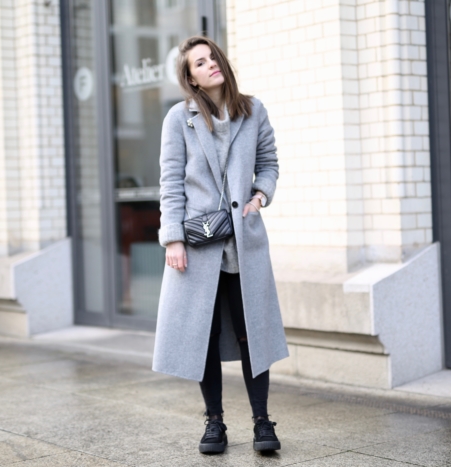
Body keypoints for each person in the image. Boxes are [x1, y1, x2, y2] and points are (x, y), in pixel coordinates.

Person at [153, 35, 289, 454]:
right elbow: (171, 183)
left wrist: (259, 196)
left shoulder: (253, 110)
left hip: (243, 245)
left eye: (213, 57)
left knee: (254, 335)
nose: (209, 64)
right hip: (198, 245)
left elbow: (269, 163)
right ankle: (214, 423)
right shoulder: (180, 119)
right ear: (190, 77)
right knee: (203, 335)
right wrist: (172, 237)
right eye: (199, 62)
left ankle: (262, 421)